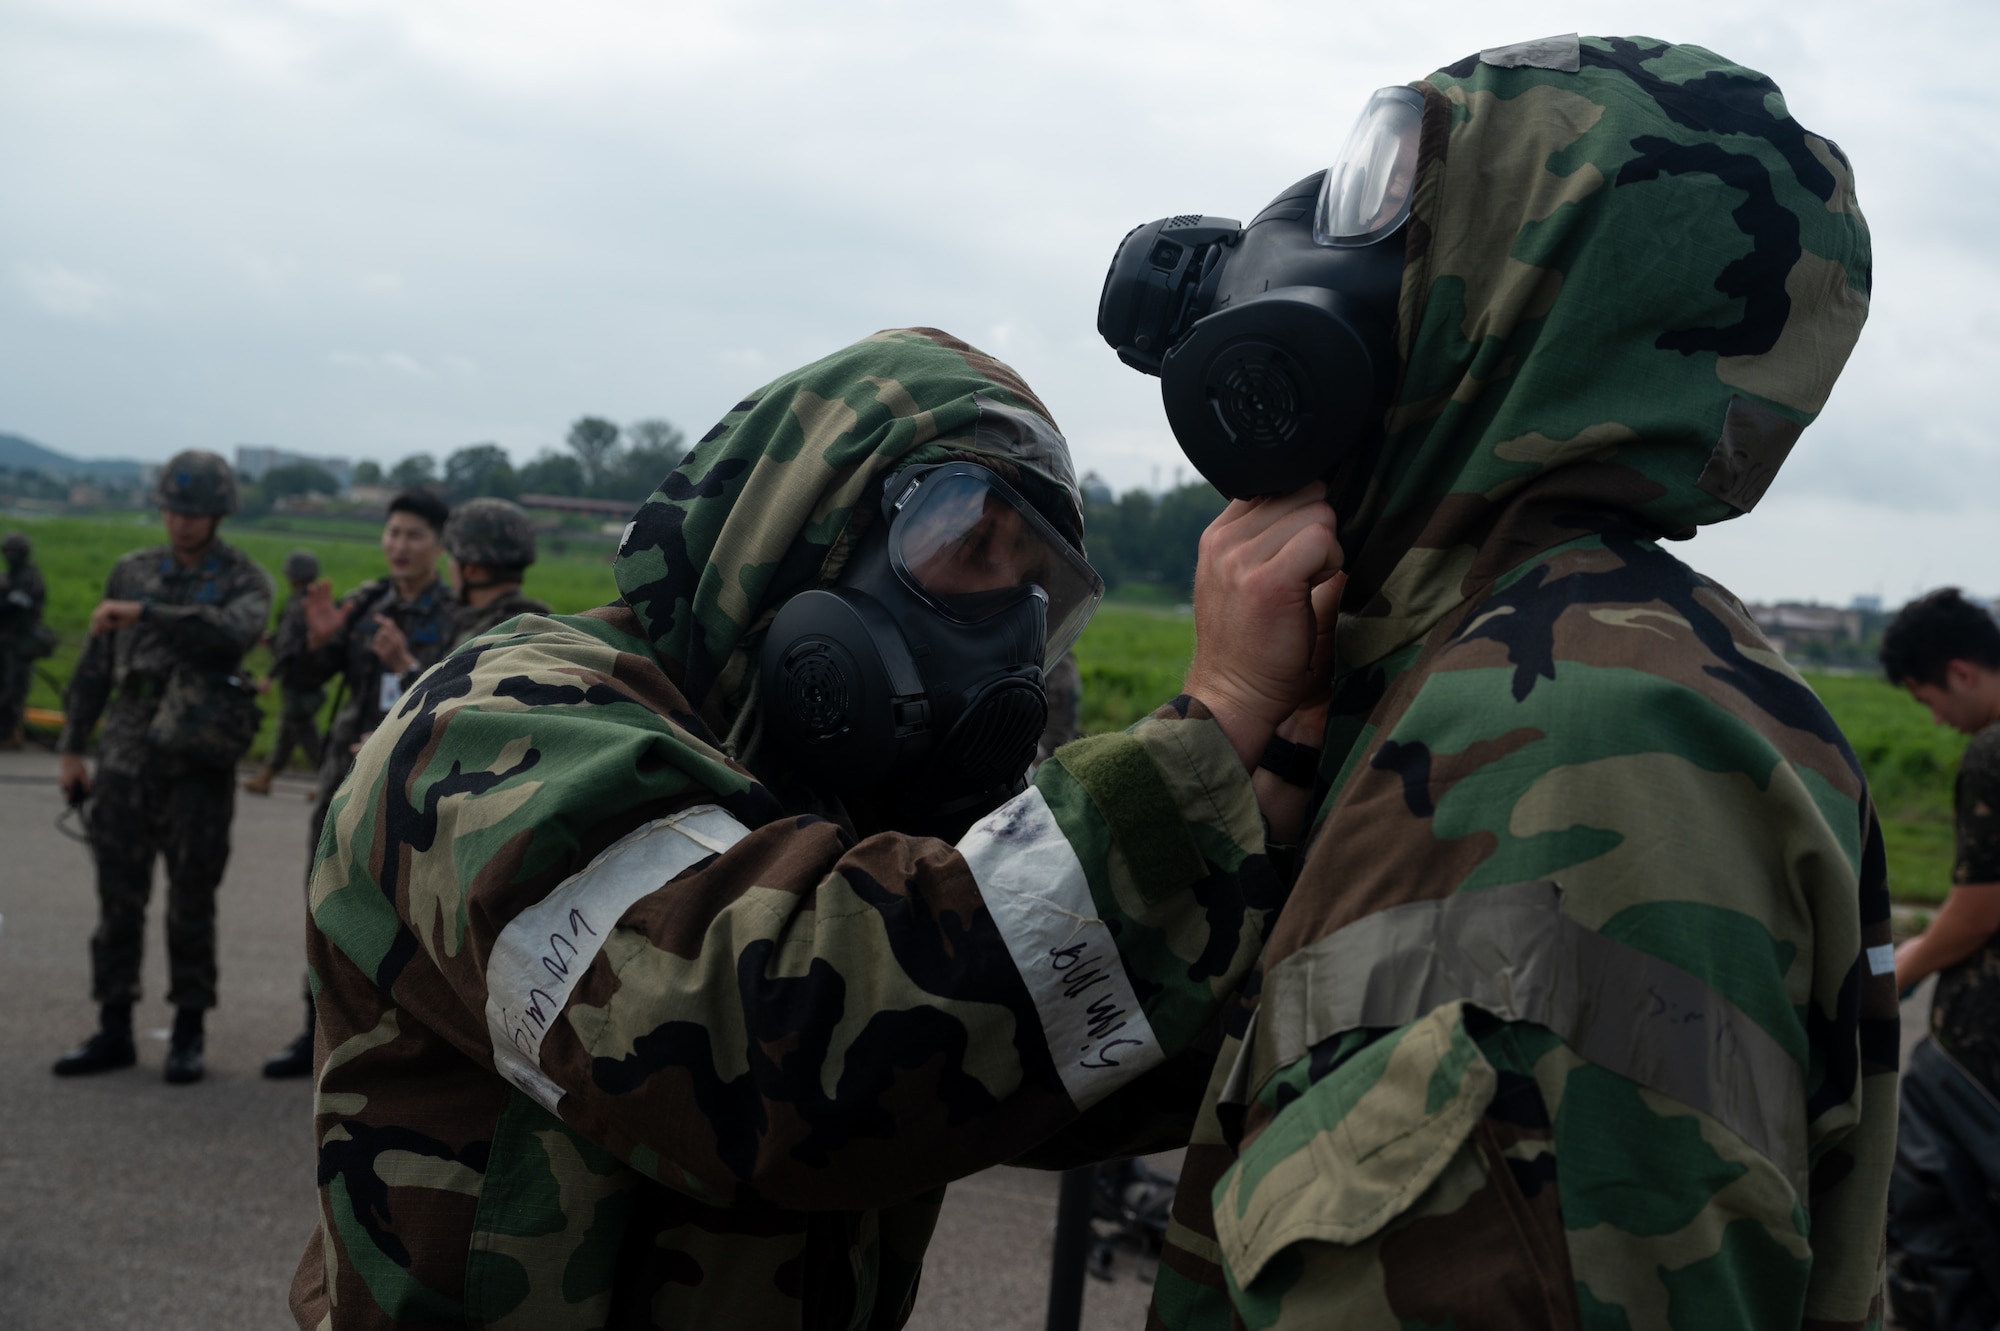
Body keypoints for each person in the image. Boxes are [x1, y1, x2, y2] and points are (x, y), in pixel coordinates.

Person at [289, 328, 1332, 1328]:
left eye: (1035, 586)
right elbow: (758, 1044)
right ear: (797, 524)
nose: (1007, 616)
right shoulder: (496, 726)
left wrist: (1270, 802)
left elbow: (1035, 1059)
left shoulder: (837, 806)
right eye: (967, 540)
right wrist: (1212, 722)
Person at [1098, 36, 1896, 1329]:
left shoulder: (1589, 738)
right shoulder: (1465, 676)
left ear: (1533, 297)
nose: (1325, 243)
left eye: (1391, 208)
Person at [51, 451, 273, 1084]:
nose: (182, 522)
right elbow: (96, 666)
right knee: (118, 895)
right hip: (124, 750)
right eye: (174, 509)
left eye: (196, 511)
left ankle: (188, 1031)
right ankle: (113, 1025)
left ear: (219, 513)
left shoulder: (244, 579)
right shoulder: (131, 570)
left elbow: (233, 635)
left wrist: (148, 614)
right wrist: (72, 748)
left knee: (191, 900)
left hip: (196, 760)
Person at [260, 490, 456, 1079]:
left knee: (409, 915)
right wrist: (314, 640)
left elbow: (465, 697)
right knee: (325, 903)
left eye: (413, 535)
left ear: (439, 544)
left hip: (414, 788)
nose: (399, 546)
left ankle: (405, 1041)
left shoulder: (456, 615)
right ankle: (316, 1031)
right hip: (345, 782)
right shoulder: (364, 602)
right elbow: (305, 677)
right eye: (392, 533)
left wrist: (408, 658)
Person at [1879, 587, 2000, 1328]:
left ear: (1960, 671)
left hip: (1978, 1054)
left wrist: (1905, 967)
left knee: (1938, 1244)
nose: (1936, 722)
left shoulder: (1992, 752)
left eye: (1928, 699)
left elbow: (1981, 908)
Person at [369, 496, 551, 677]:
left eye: (454, 560)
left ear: (470, 571)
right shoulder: (542, 625)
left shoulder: (484, 640)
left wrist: (404, 667)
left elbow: (448, 701)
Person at [243, 549, 327, 794]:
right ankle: (266, 777)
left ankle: (330, 783)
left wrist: (270, 675)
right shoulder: (310, 601)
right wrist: (272, 639)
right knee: (288, 730)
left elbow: (290, 648)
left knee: (305, 734)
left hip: (296, 676)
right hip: (307, 675)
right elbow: (292, 639)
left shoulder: (297, 604)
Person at [0, 530, 47, 747]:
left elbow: (18, 605)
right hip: (6, 641)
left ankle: (9, 734)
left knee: (13, 690)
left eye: (14, 552)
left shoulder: (29, 578)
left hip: (19, 643)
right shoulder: (8, 577)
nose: (10, 556)